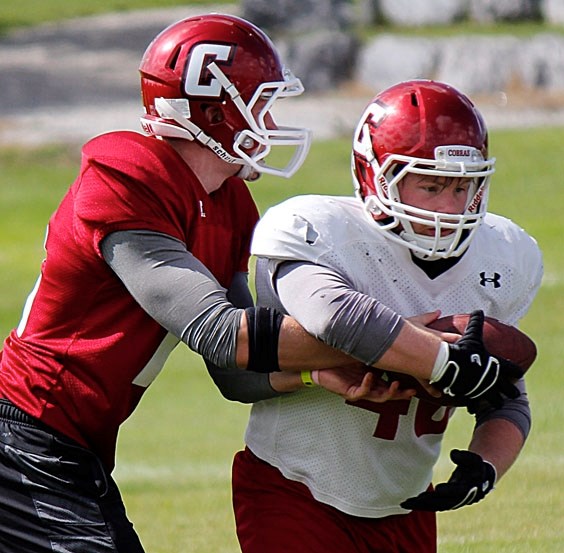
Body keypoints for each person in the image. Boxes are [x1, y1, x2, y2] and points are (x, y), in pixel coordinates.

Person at [0, 11, 522, 550]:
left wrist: (325, 373)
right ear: (213, 107)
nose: (269, 126)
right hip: (25, 433)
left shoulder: (229, 205)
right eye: (262, 106)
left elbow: (236, 374)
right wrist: (400, 345)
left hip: (68, 444)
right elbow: (220, 331)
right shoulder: (126, 173)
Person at [226, 80, 543, 553]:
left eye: (462, 187)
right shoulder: (322, 231)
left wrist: (485, 467)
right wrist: (440, 358)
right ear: (375, 177)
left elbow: (506, 396)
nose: (448, 207)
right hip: (293, 486)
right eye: (431, 185)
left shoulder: (503, 257)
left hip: (403, 505)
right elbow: (334, 317)